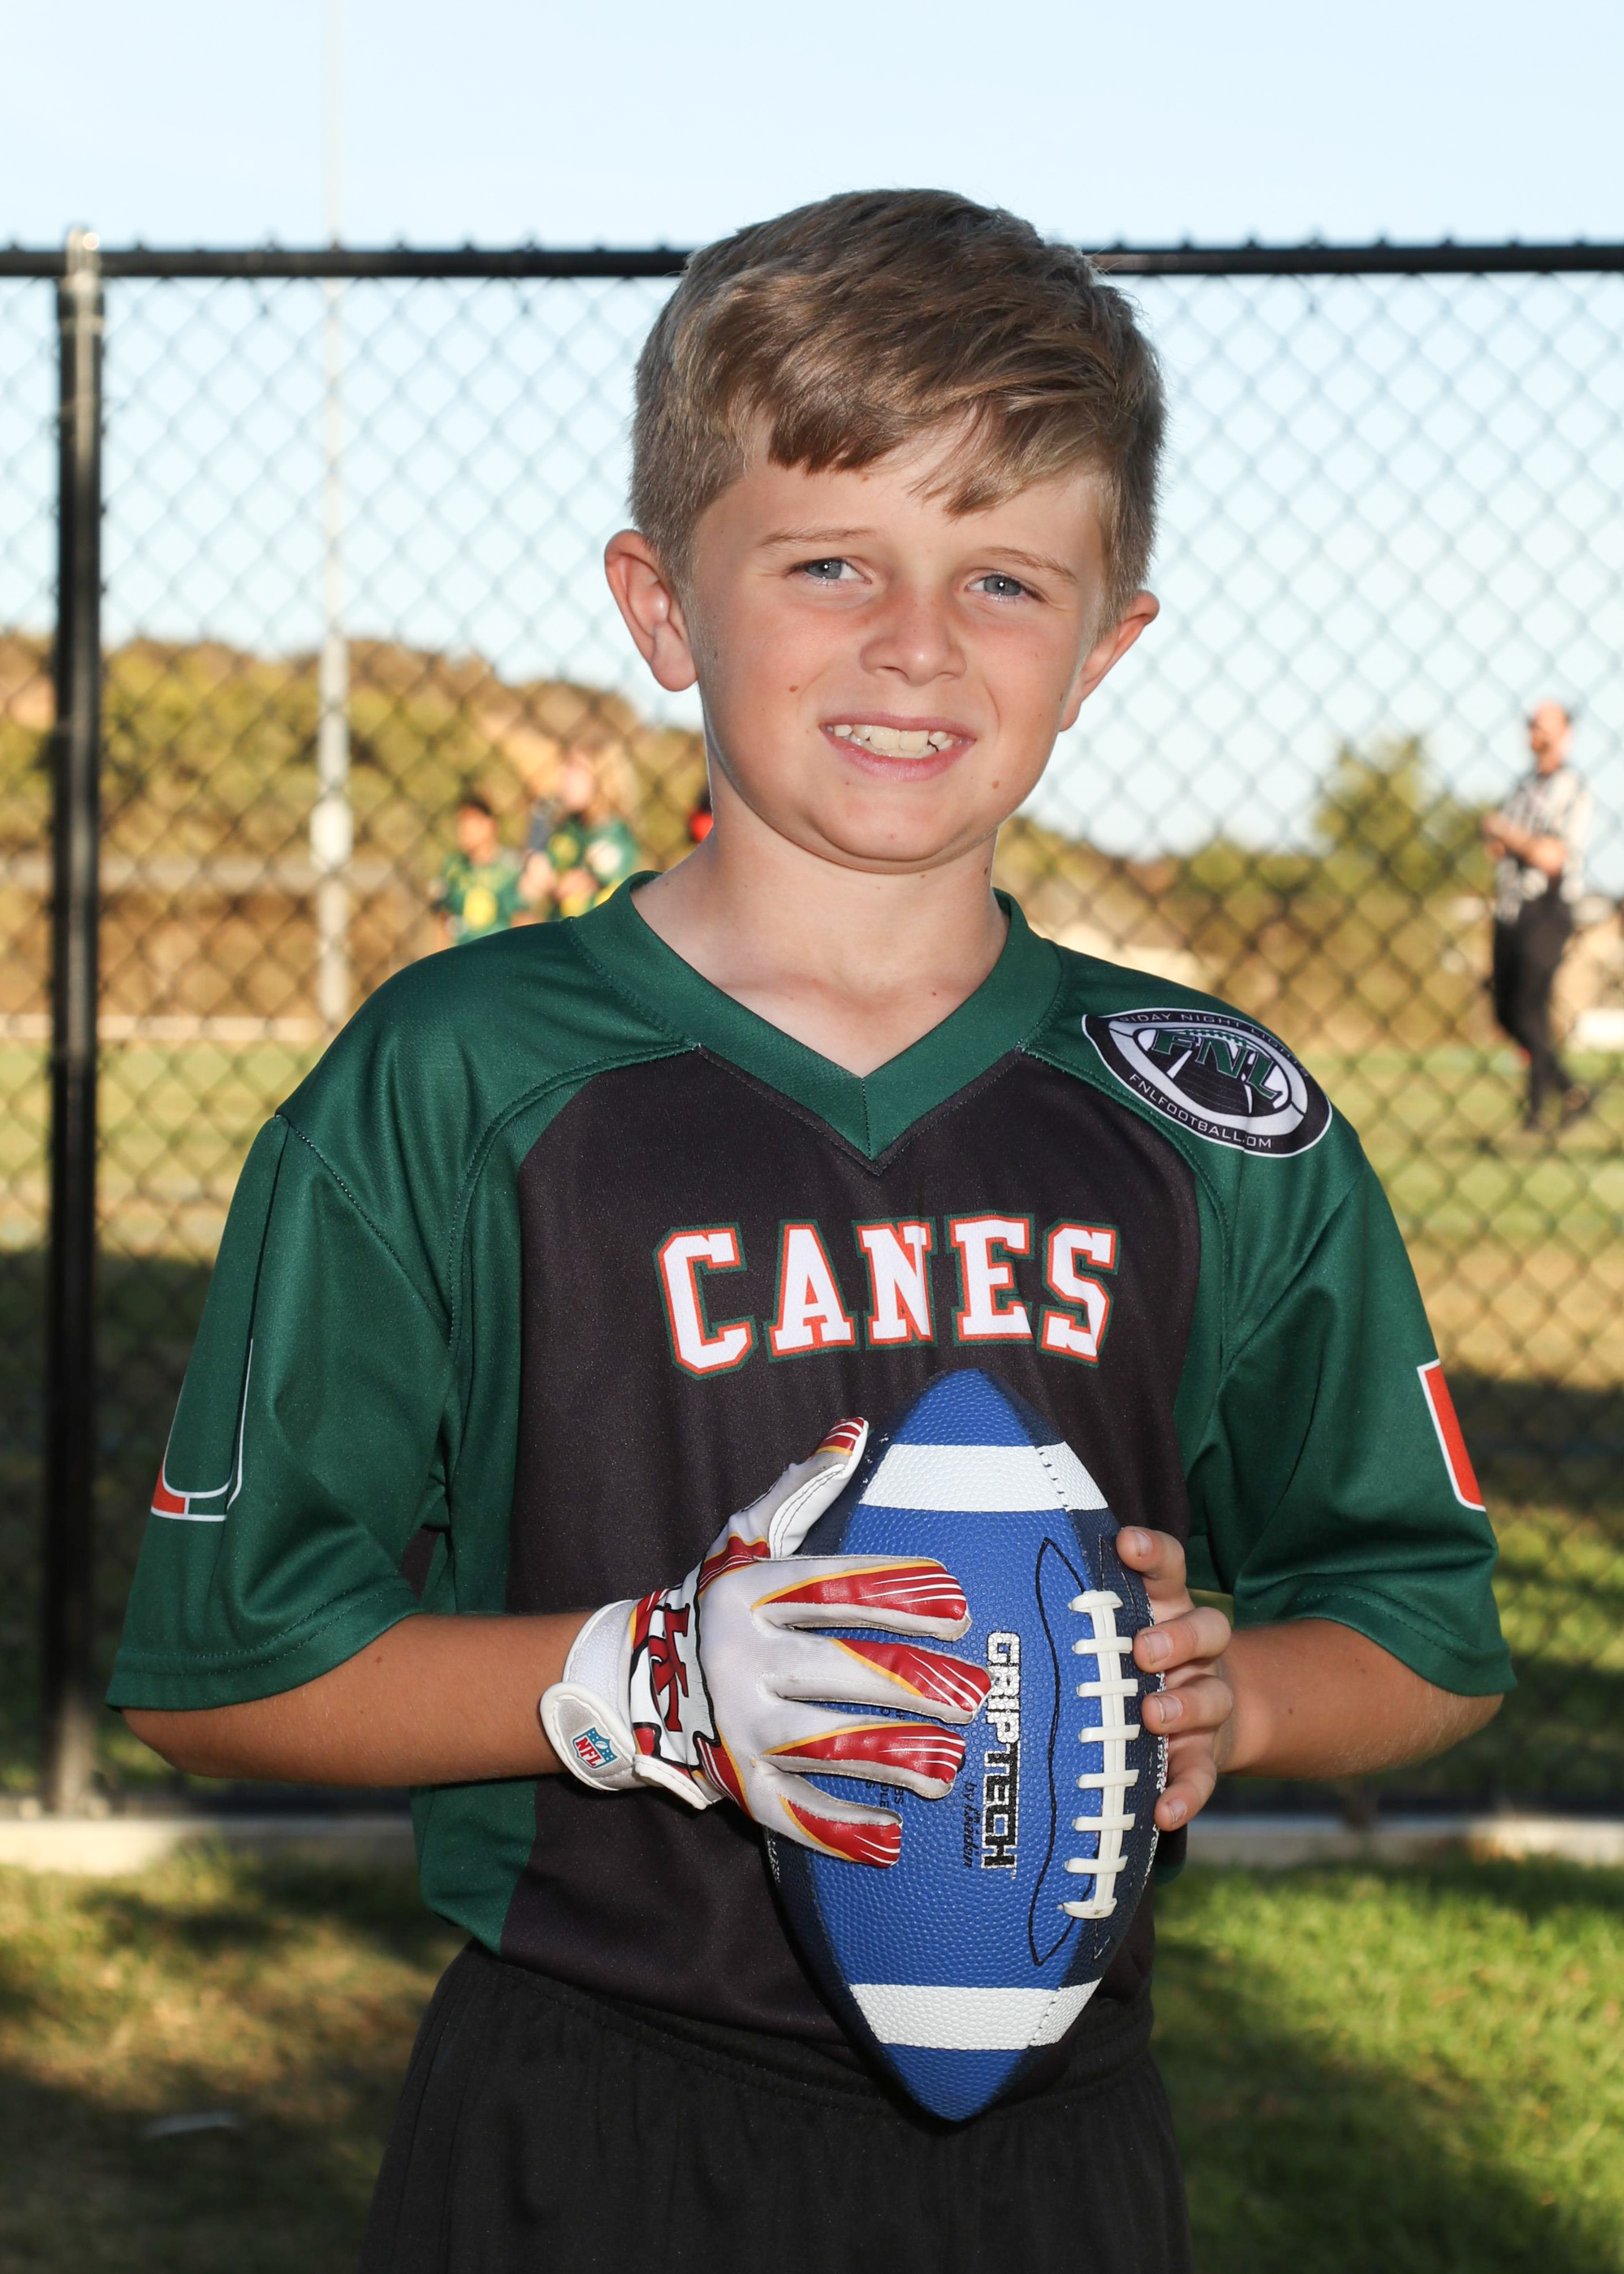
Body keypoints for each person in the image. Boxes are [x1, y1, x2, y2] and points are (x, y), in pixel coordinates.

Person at [110, 192, 1510, 2274]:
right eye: (829, 561)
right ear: (662, 602)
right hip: (587, 2119)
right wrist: (641, 1678)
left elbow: (1421, 1623)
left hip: (1060, 2150)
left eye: (1003, 577)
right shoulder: (461, 1073)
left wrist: (1244, 1699)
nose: (915, 642)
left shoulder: (1206, 1115)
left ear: (1105, 645)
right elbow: (225, 1671)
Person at [1484, 701, 1594, 1130]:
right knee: (1508, 1012)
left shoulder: (1572, 788)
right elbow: (1508, 846)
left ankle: (1537, 1110)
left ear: (1566, 733)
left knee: (1530, 1007)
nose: (1538, 733)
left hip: (1548, 907)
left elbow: (1551, 856)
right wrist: (1506, 840)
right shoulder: (1523, 787)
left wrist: (1506, 833)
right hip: (1511, 907)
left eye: (1547, 725)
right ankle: (1569, 1091)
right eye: (1533, 724)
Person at [520, 724, 641, 919]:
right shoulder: (568, 826)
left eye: (574, 767)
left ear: (602, 775)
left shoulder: (614, 832)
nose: (563, 775)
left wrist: (549, 878)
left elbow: (572, 885)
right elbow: (534, 881)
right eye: (565, 765)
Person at [430, 790, 525, 949]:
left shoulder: (511, 866)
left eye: (471, 823)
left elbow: (521, 917)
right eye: (461, 824)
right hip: (462, 952)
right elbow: (443, 917)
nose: (464, 830)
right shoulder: (453, 867)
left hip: (500, 951)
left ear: (490, 825)